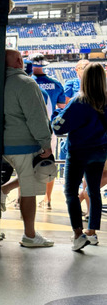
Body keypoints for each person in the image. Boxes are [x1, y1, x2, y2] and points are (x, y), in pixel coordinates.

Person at [0, 50, 54, 248]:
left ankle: (3, 190)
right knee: (29, 191)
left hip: (4, 144)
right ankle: (29, 235)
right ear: (19, 62)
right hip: (25, 144)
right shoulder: (26, 83)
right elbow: (37, 118)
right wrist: (45, 143)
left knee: (25, 178)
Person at [52, 63, 107, 250]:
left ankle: (78, 233)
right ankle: (92, 232)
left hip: (78, 153)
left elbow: (59, 127)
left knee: (70, 192)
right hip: (99, 152)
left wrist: (56, 113)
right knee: (94, 191)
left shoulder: (79, 101)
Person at [30, 53, 66, 210]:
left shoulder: (27, 82)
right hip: (49, 128)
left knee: (24, 163)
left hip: (29, 128)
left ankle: (21, 199)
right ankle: (47, 199)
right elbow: (62, 107)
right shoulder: (56, 84)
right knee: (48, 163)